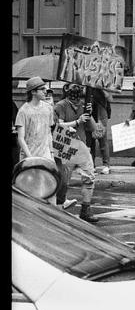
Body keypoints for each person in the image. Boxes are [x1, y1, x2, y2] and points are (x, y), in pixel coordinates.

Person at [52, 82, 99, 222]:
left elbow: (93, 128)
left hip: (82, 146)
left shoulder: (84, 105)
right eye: (73, 91)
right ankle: (59, 207)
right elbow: (58, 125)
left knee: (89, 177)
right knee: (63, 181)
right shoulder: (60, 105)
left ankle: (86, 209)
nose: (76, 95)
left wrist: (89, 115)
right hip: (65, 147)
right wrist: (77, 122)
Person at [15, 76, 56, 167]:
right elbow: (21, 138)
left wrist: (51, 153)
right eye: (42, 89)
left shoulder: (48, 108)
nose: (45, 91)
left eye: (45, 88)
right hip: (29, 155)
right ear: (33, 92)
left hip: (46, 154)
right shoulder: (23, 111)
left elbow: (48, 132)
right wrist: (30, 158)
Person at [85, 88, 112, 175]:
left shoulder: (102, 89)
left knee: (103, 143)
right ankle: (91, 164)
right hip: (90, 116)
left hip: (100, 117)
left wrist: (102, 89)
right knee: (90, 143)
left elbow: (109, 98)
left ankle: (106, 165)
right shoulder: (87, 87)